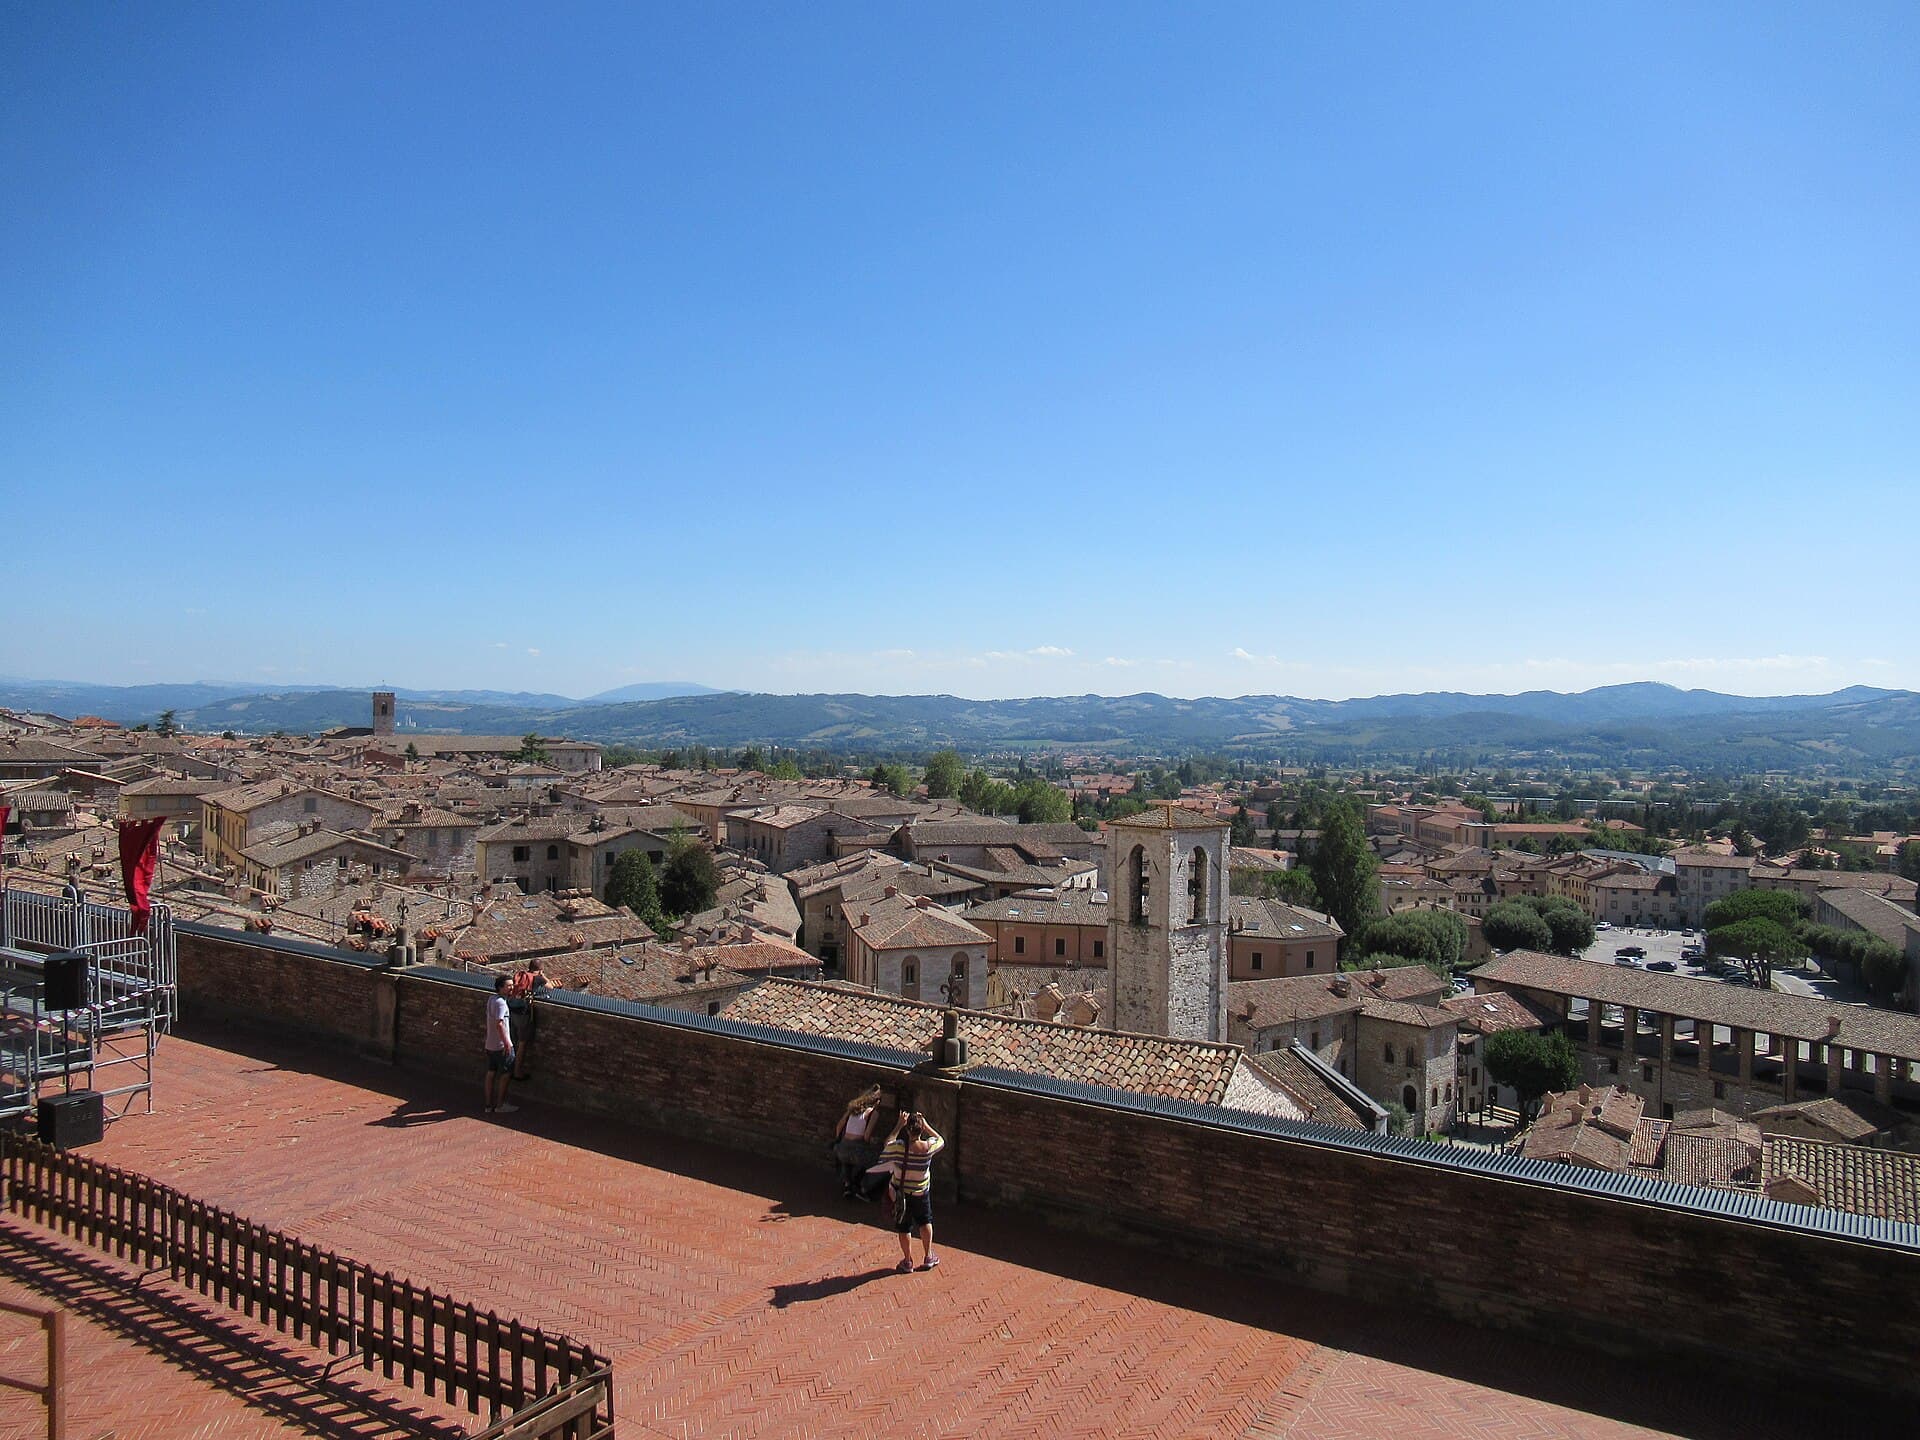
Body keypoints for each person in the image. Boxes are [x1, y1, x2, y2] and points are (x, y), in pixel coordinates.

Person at [880, 1109, 945, 1272]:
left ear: (908, 1130)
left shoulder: (899, 1147)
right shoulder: (928, 1147)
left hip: (901, 1194)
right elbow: (941, 1140)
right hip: (921, 1193)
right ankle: (928, 1255)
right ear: (920, 1129)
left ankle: (908, 1260)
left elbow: (887, 1143)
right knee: (925, 1222)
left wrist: (898, 1125)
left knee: (904, 1227)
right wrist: (927, 1125)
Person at [832, 1086, 883, 1199]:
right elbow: (866, 1136)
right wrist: (874, 1141)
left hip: (842, 1148)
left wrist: (839, 1140)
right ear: (877, 1101)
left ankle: (848, 1184)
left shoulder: (852, 1110)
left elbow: (839, 1125)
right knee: (877, 1159)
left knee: (847, 1159)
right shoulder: (873, 1113)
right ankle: (861, 1187)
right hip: (856, 1150)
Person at [509, 958, 550, 1081]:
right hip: (523, 1014)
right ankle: (517, 1072)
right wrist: (543, 976)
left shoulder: (521, 974)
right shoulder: (538, 978)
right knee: (522, 1044)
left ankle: (507, 1068)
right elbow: (551, 987)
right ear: (540, 969)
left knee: (512, 1041)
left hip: (512, 1010)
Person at [484, 974, 518, 1114]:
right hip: (501, 1046)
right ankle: (500, 1105)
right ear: (500, 988)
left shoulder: (492, 999)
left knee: (491, 1073)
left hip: (490, 1044)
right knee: (505, 1074)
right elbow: (499, 1023)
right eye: (508, 985)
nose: (511, 987)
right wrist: (507, 1043)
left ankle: (488, 1105)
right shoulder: (501, 1003)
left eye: (512, 985)